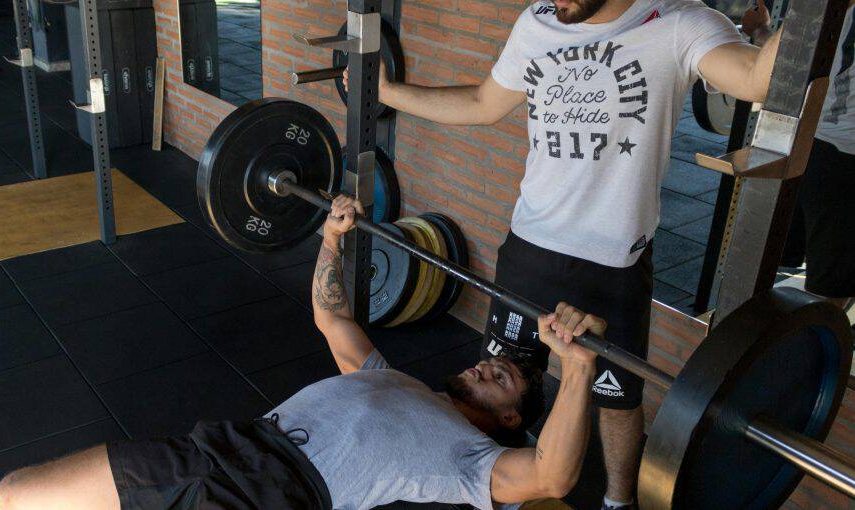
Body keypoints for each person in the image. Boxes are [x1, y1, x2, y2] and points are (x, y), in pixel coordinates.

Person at [344, 0, 780, 507]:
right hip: (529, 248)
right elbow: (483, 103)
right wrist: (387, 91)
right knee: (499, 376)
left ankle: (618, 501)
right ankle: (504, 480)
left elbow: (754, 79)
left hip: (613, 263)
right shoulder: (538, 22)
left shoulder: (678, 23)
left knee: (617, 398)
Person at [0, 195, 607, 510]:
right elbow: (330, 315)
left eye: (498, 379)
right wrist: (332, 238)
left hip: (273, 497)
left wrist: (577, 368)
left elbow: (553, 474)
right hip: (217, 447)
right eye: (488, 360)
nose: (482, 364)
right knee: (16, 494)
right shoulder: (391, 379)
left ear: (508, 421)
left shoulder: (473, 463)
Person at [777, 1, 855, 319]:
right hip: (836, 154)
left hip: (820, 145)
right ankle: (808, 351)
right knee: (829, 286)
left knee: (830, 277)